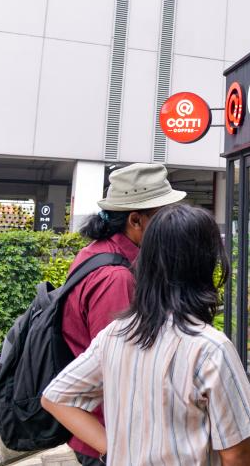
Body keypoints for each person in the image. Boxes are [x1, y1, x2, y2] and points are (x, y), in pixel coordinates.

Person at [42, 204, 250, 465]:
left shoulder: (114, 333)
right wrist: (111, 448)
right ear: (205, 263)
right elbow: (237, 454)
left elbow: (55, 396)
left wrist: (116, 451)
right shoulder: (210, 348)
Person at [60, 162, 185, 464]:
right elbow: (119, 368)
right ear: (135, 220)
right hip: (112, 436)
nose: (169, 225)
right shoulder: (115, 277)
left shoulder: (96, 252)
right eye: (163, 216)